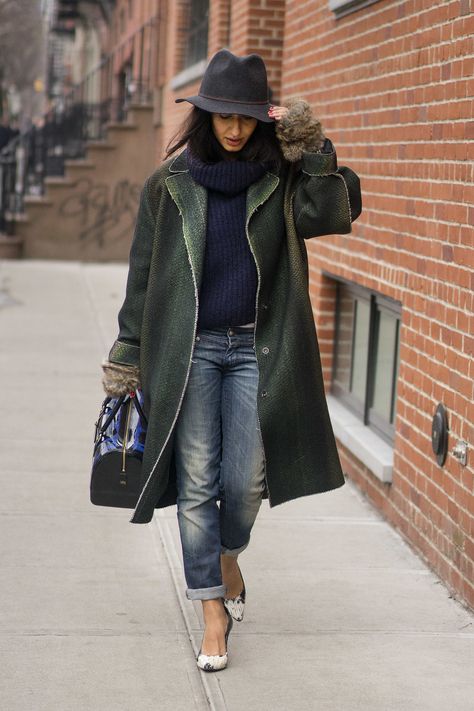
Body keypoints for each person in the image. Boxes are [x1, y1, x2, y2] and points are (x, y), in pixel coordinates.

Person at [101, 48, 361, 672]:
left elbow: (335, 211)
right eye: (224, 115)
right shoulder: (168, 187)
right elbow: (141, 279)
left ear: (263, 119)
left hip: (255, 348)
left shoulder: (283, 181)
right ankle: (212, 611)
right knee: (196, 484)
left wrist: (309, 140)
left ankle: (224, 557)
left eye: (247, 117)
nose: (236, 129)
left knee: (242, 485)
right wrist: (128, 356)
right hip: (185, 354)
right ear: (205, 116)